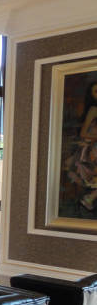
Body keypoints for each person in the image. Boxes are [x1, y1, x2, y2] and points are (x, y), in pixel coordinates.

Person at [69, 81, 97, 210]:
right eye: (96, 92)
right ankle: (89, 198)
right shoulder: (93, 110)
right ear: (92, 95)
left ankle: (90, 198)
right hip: (90, 148)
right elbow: (83, 133)